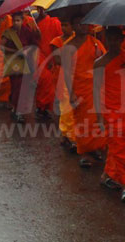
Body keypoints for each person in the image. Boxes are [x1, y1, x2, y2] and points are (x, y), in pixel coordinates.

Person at [94, 27, 125, 203]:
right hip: (111, 110)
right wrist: (99, 117)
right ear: (106, 39)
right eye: (111, 39)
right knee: (117, 145)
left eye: (118, 39)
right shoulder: (99, 62)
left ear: (122, 40)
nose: (114, 42)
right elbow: (96, 90)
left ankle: (107, 175)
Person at [63, 15, 107, 168]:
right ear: (74, 26)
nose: (83, 26)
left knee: (98, 120)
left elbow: (105, 61)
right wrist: (71, 93)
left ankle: (96, 148)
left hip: (96, 88)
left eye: (85, 23)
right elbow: (67, 73)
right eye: (79, 23)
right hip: (81, 89)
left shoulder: (95, 43)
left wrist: (99, 56)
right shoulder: (69, 46)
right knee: (83, 121)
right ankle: (85, 153)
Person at [1, 12, 38, 123]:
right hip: (15, 63)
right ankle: (17, 110)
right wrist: (16, 52)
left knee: (24, 88)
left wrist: (27, 51)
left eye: (18, 20)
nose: (16, 23)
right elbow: (2, 47)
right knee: (16, 87)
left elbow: (34, 45)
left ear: (23, 20)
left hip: (26, 62)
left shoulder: (27, 31)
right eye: (14, 21)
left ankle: (17, 109)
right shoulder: (8, 32)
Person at [50, 19, 76, 152]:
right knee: (64, 105)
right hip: (62, 76)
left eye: (66, 24)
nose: (64, 28)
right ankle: (67, 134)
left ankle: (69, 135)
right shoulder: (56, 41)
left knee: (72, 108)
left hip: (76, 76)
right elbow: (58, 60)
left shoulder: (77, 40)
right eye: (62, 25)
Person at [33, 6, 62, 119]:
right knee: (43, 82)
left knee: (50, 84)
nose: (41, 10)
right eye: (39, 8)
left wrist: (53, 58)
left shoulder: (54, 22)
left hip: (51, 56)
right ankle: (40, 107)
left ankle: (44, 108)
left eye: (43, 8)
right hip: (38, 56)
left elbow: (59, 40)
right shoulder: (33, 23)